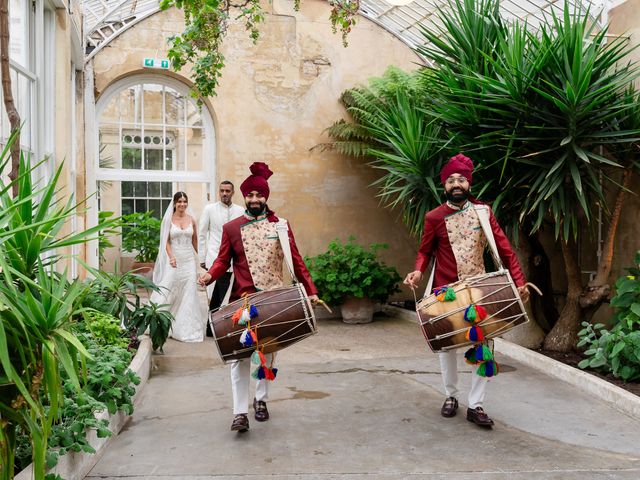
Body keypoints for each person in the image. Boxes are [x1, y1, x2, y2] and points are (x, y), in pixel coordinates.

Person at [404, 153, 530, 428]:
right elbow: (425, 251)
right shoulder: (434, 217)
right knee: (445, 347)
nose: (456, 184)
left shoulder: (483, 212)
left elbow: (506, 250)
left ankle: (476, 404)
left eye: (462, 179)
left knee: (484, 346)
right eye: (451, 180)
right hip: (444, 291)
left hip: (478, 290)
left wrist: (519, 282)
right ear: (444, 186)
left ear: (469, 184)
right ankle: (451, 396)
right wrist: (417, 270)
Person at [198, 162, 318, 433]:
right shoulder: (231, 228)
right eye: (250, 195)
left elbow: (296, 262)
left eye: (259, 195)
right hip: (243, 304)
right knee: (239, 357)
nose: (254, 200)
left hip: (275, 300)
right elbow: (221, 261)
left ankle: (261, 400)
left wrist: (311, 291)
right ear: (244, 198)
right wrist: (209, 276)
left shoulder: (282, 226)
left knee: (268, 353)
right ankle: (239, 412)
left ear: (266, 197)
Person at [150, 191, 207, 342]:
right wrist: (171, 257)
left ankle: (186, 328)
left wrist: (202, 260)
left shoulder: (192, 220)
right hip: (174, 260)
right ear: (174, 203)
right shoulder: (168, 219)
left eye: (184, 201)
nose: (182, 204)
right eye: (179, 201)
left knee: (189, 292)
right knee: (170, 289)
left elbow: (195, 241)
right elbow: (165, 241)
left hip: (189, 261)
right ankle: (160, 321)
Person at [198, 181, 244, 336]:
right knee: (215, 295)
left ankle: (223, 328)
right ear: (219, 192)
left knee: (228, 294)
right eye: (222, 191)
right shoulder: (210, 209)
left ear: (233, 192)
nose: (225, 193)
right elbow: (202, 235)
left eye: (228, 191)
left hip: (235, 260)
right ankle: (213, 328)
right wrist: (202, 258)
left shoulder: (240, 210)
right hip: (215, 258)